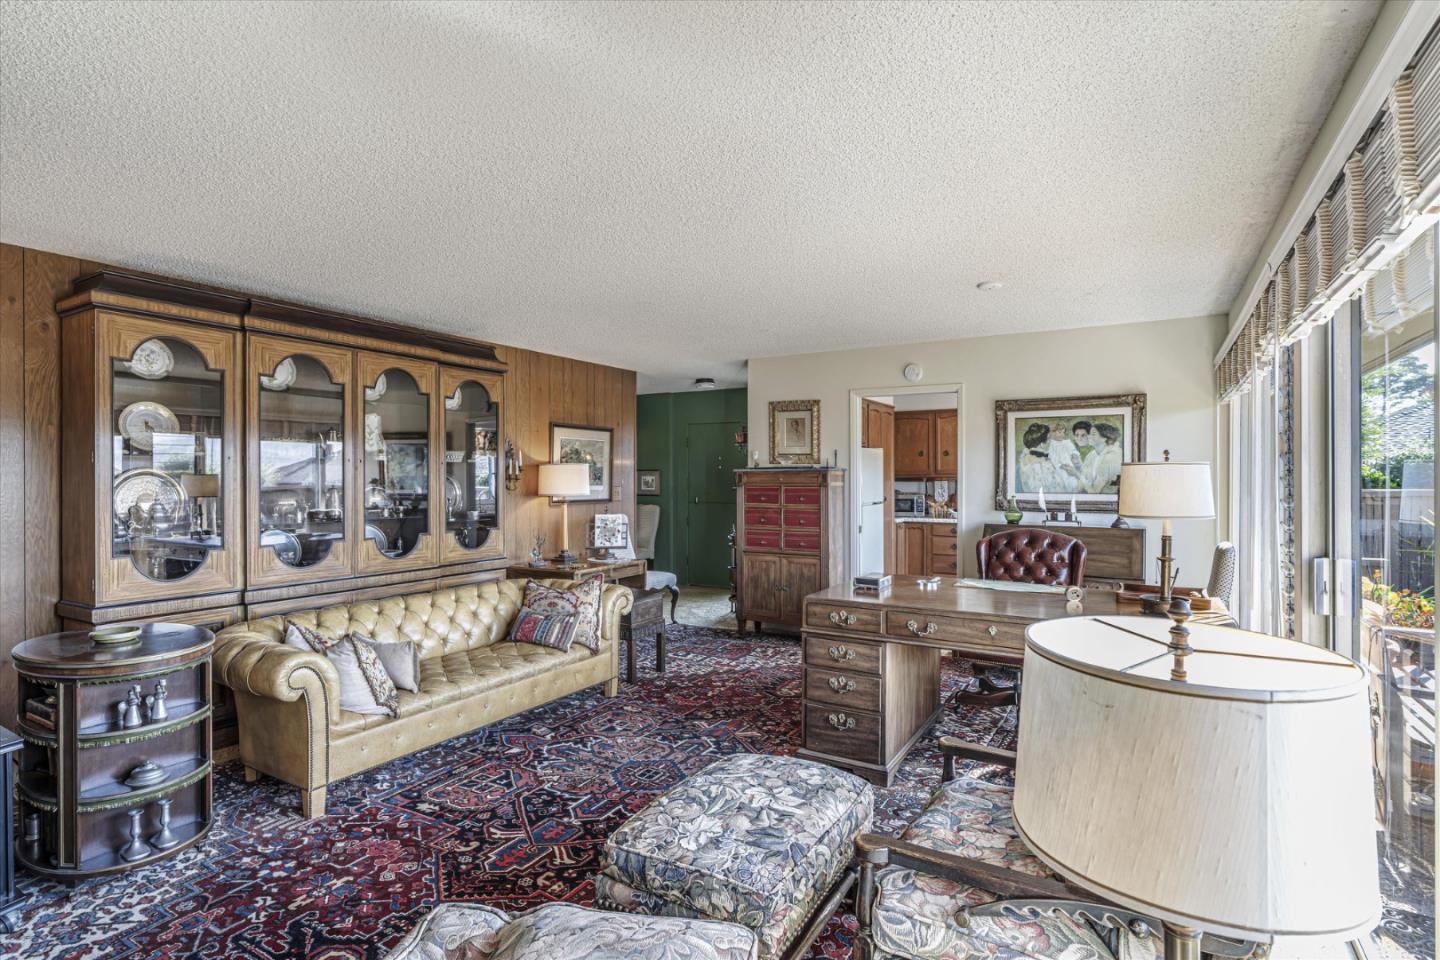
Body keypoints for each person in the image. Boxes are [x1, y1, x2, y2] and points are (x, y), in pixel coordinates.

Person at [1019, 422, 1066, 494]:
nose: (1051, 441)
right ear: (1042, 444)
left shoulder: (1032, 456)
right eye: (1049, 439)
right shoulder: (1037, 464)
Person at [1084, 422, 1124, 494]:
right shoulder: (1091, 455)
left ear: (1104, 438)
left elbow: (1095, 491)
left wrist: (1079, 478)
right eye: (1089, 434)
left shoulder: (1112, 456)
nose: (1088, 436)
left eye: (1093, 434)